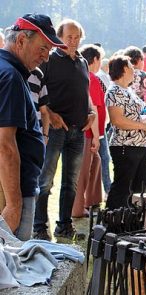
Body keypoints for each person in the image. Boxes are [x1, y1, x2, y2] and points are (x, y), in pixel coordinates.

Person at [0, 13, 67, 240]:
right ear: (21, 41)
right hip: (12, 191)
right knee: (11, 266)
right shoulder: (9, 77)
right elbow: (5, 144)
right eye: (42, 49)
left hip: (13, 187)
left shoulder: (9, 72)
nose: (46, 58)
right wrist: (14, 204)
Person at [33, 19, 96, 240]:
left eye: (77, 37)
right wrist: (49, 113)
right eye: (69, 36)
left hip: (78, 131)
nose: (73, 41)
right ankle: (39, 226)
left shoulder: (83, 62)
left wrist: (91, 112)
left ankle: (65, 226)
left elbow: (85, 92)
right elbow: (37, 90)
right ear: (59, 37)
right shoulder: (49, 59)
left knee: (71, 182)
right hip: (55, 130)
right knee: (45, 181)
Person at [105, 55, 146, 210]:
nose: (134, 71)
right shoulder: (115, 91)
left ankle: (130, 223)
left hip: (139, 145)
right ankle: (111, 221)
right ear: (125, 69)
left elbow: (135, 114)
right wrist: (144, 126)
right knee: (123, 187)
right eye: (132, 68)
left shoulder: (128, 91)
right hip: (125, 146)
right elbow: (117, 120)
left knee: (136, 189)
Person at [72, 44, 105, 217]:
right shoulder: (91, 78)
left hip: (88, 132)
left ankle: (87, 203)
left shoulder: (87, 77)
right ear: (95, 59)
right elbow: (94, 108)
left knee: (94, 164)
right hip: (88, 133)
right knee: (82, 172)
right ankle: (77, 209)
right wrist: (96, 136)